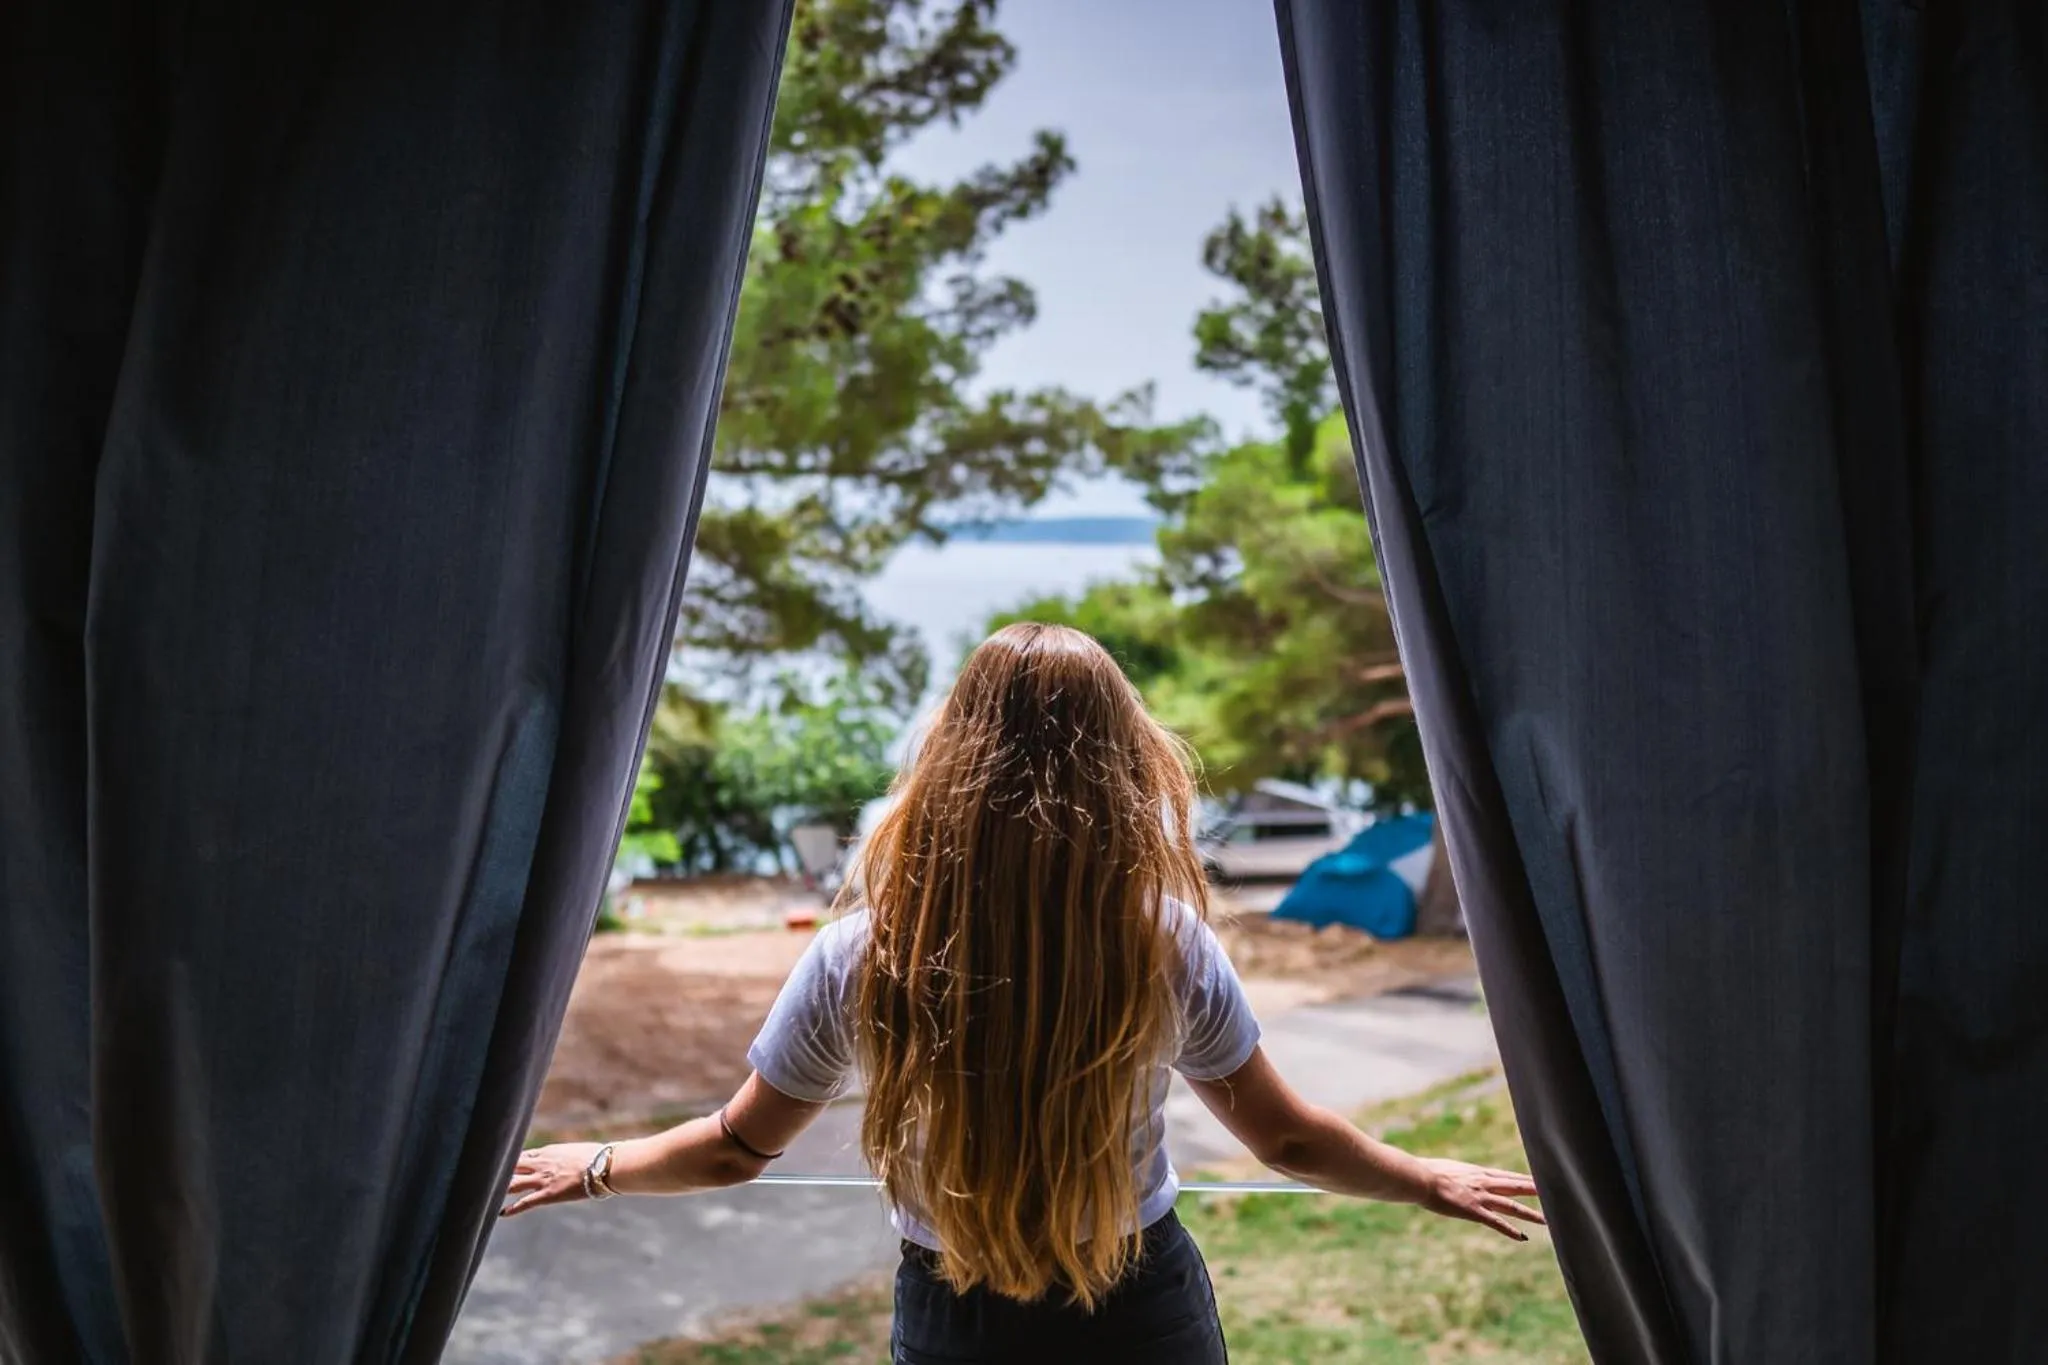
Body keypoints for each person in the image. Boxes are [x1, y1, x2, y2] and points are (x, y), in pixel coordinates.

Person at [503, 623, 1543, 1363]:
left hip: (956, 1315)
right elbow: (1288, 1143)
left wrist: (595, 1166)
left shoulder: (861, 955)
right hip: (1140, 1306)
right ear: (1123, 764)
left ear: (947, 761)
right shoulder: (1160, 942)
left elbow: (735, 1149)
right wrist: (1421, 1179)